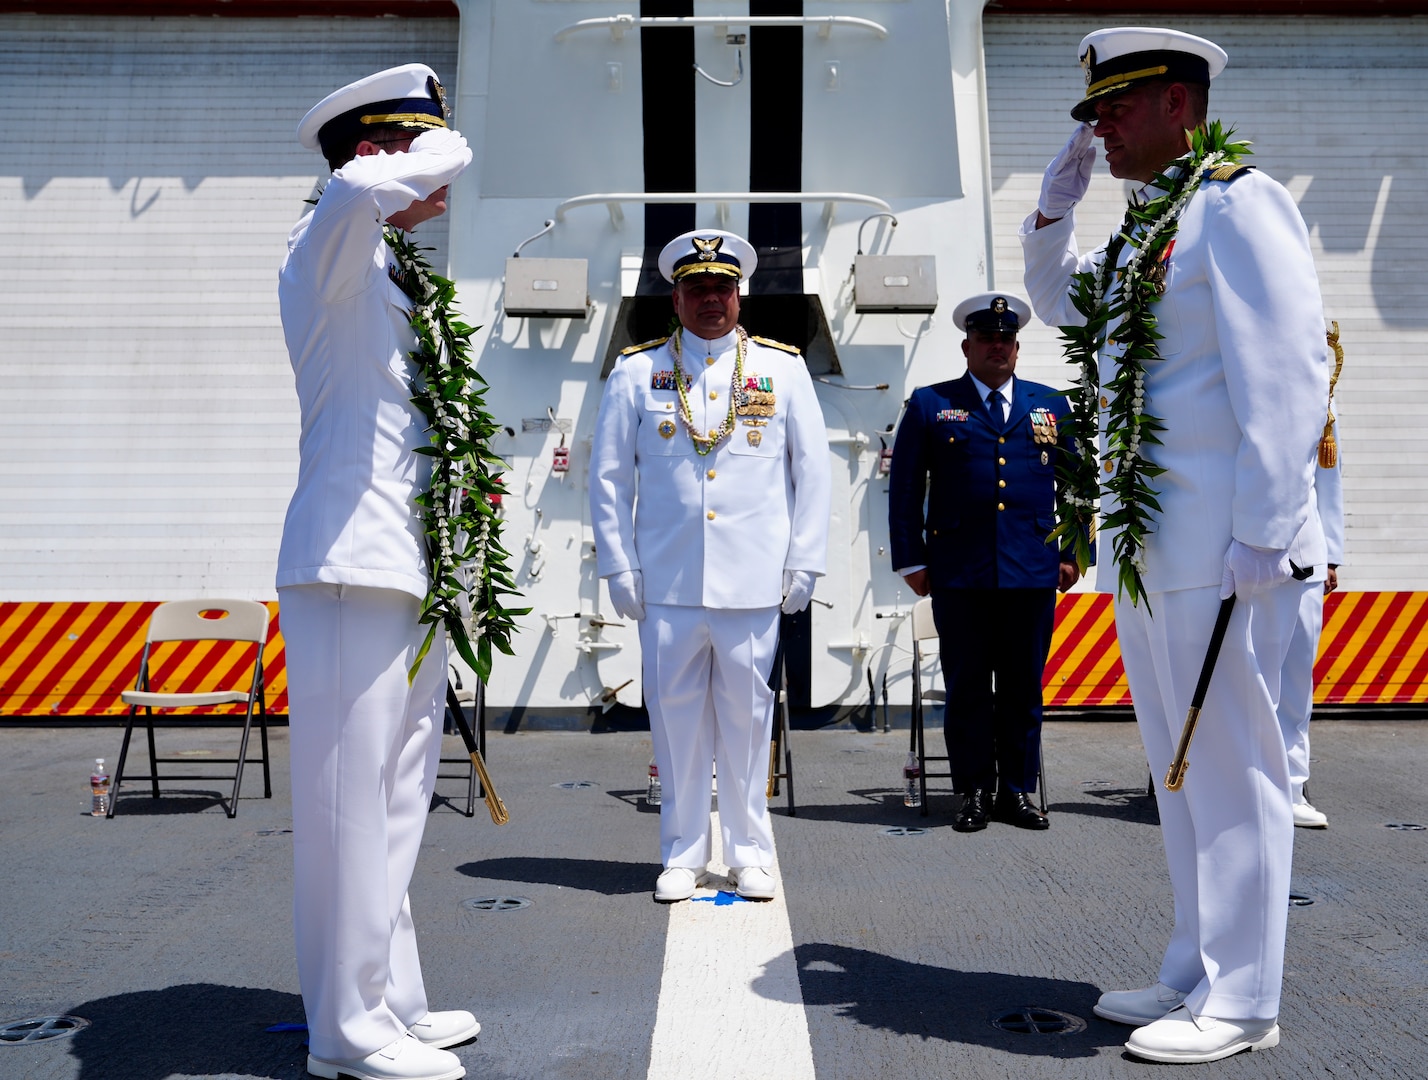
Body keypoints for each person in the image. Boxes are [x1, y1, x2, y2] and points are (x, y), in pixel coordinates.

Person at [1019, 27, 1329, 1064]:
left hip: (1222, 551)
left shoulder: (1240, 205)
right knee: (1180, 772)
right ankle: (1195, 964)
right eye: (1094, 114)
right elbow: (1061, 305)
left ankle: (1245, 1001)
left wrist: (1266, 532)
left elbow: (1287, 377)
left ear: (1179, 108)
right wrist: (1053, 211)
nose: (1099, 128)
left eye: (1116, 109)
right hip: (1151, 553)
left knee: (1236, 772)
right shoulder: (1149, 230)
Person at [278, 64, 478, 1080]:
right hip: (349, 562)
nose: (440, 186)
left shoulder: (392, 273)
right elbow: (360, 190)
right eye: (422, 156)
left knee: (396, 796)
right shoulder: (330, 250)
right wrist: (432, 151)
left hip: (404, 564)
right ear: (376, 153)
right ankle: (346, 1035)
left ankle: (389, 997)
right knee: (353, 802)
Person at [589, 229, 831, 903]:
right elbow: (609, 478)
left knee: (750, 725)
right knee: (675, 725)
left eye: (722, 288)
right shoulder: (636, 372)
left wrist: (803, 560)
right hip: (667, 584)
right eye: (697, 288)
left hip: (753, 582)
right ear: (676, 296)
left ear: (739, 294)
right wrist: (618, 565)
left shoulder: (781, 369)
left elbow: (812, 472)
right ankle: (682, 854)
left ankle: (749, 851)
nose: (711, 300)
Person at [887, 292, 1081, 833]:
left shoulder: (1051, 406)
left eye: (1006, 339)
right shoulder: (931, 403)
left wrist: (1072, 554)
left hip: (1031, 570)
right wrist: (911, 562)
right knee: (968, 687)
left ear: (1017, 348)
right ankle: (972, 790)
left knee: (1022, 688)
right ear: (967, 346)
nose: (997, 347)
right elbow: (905, 491)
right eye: (987, 339)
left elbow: (1077, 489)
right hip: (959, 572)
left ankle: (1016, 791)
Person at [1282, 424, 1345, 829]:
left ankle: (1291, 786)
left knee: (1295, 673)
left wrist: (1331, 554)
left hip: (1301, 548)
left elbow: (1328, 472)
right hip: (1228, 547)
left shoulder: (1321, 380)